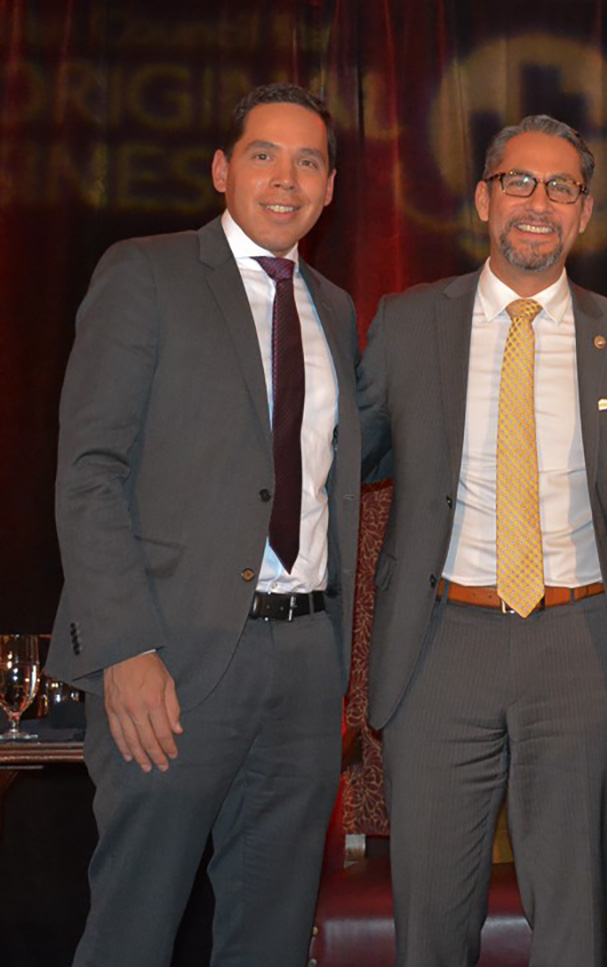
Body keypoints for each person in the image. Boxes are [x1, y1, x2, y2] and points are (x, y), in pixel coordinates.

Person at [47, 83, 360, 967]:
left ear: (331, 188)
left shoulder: (334, 309)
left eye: (309, 161)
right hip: (170, 661)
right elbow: (90, 471)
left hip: (303, 668)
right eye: (264, 154)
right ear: (223, 169)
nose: (286, 178)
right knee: (134, 930)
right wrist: (125, 647)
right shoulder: (145, 273)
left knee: (269, 935)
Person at [358, 114, 607, 966]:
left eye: (560, 187)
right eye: (518, 182)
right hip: (439, 647)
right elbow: (336, 460)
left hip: (580, 644)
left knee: (573, 927)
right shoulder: (408, 323)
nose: (538, 202)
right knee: (431, 927)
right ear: (485, 198)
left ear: (585, 211)